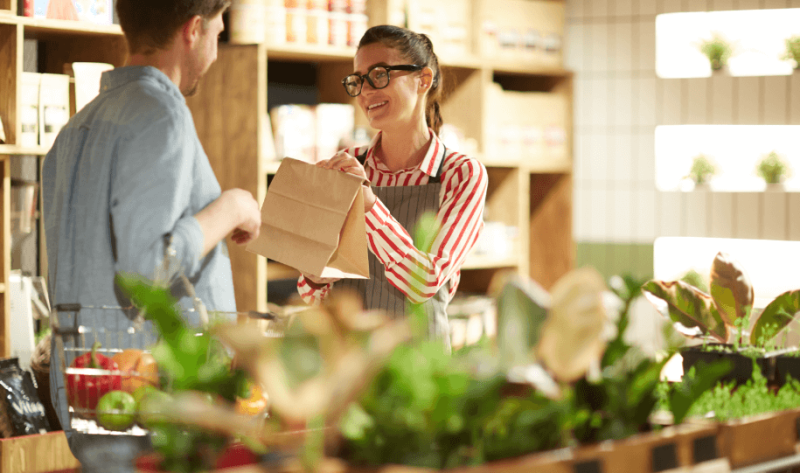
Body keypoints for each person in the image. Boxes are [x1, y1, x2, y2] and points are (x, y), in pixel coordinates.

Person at [41, 0, 261, 471]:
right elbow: (146, 267)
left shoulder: (71, 132)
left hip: (92, 396)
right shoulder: (162, 112)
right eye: (218, 35)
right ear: (194, 30)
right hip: (153, 406)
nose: (217, 52)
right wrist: (234, 207)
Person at [297, 25, 488, 350]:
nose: (366, 91)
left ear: (422, 80)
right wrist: (314, 259)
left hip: (419, 369)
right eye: (358, 80)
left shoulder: (461, 174)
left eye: (380, 75)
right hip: (346, 361)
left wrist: (368, 205)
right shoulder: (347, 164)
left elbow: (425, 281)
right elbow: (312, 293)